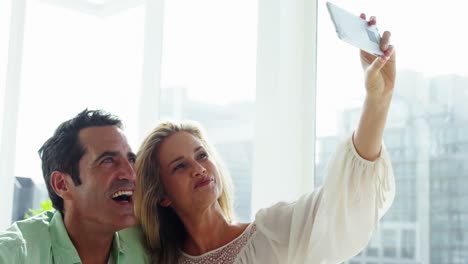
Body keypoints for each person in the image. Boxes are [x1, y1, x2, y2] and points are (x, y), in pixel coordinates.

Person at [133, 14, 396, 264]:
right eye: (180, 166)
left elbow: (343, 201)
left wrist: (378, 100)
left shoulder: (274, 233)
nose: (199, 168)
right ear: (162, 196)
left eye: (202, 155)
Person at [0, 109, 149, 263]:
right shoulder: (12, 255)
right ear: (62, 184)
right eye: (108, 160)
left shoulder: (149, 247)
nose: (130, 174)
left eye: (131, 160)